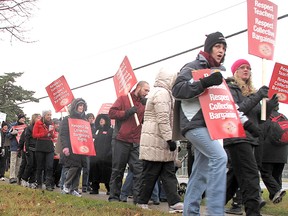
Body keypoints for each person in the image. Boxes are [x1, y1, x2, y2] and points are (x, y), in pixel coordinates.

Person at [172, 31, 228, 215]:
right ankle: (215, 212)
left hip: (211, 126)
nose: (221, 51)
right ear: (209, 48)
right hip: (194, 124)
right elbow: (177, 89)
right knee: (220, 157)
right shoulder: (192, 67)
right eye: (218, 46)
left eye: (224, 48)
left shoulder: (219, 73)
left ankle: (190, 212)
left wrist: (244, 121)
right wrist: (204, 82)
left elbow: (226, 104)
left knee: (200, 173)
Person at [224, 58, 279, 216]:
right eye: (242, 67)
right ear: (235, 71)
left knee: (233, 180)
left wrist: (269, 106)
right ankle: (253, 212)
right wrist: (257, 97)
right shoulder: (230, 88)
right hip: (237, 137)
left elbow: (260, 118)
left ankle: (216, 204)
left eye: (248, 67)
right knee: (251, 176)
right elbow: (237, 111)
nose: (246, 70)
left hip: (251, 139)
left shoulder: (253, 92)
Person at [136, 68, 183, 213]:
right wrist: (170, 139)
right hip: (156, 139)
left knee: (167, 173)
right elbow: (163, 119)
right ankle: (141, 201)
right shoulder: (162, 94)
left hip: (158, 140)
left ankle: (174, 202)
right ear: (169, 80)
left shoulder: (164, 93)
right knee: (150, 173)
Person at [108, 80, 150, 204]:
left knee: (139, 170)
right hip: (121, 139)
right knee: (118, 170)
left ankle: (138, 200)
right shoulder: (123, 99)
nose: (147, 93)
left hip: (136, 141)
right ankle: (114, 197)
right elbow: (111, 113)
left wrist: (148, 106)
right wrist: (126, 113)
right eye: (145, 90)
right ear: (138, 88)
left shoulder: (144, 104)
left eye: (148, 91)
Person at [60, 98, 89, 197]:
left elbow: (86, 135)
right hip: (71, 147)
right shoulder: (67, 119)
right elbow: (63, 134)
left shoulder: (84, 120)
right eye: (79, 105)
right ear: (75, 106)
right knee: (74, 167)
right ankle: (66, 185)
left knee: (78, 167)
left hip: (81, 148)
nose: (81, 107)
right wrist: (65, 147)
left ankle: (74, 189)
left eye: (83, 106)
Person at [259, 106, 287, 204]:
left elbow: (261, 133)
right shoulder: (283, 117)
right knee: (276, 175)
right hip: (282, 153)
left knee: (265, 173)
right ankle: (274, 198)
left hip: (268, 152)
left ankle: (276, 191)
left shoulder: (265, 117)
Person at [89, 113, 113, 195]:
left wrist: (110, 153)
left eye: (103, 119)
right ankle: (95, 188)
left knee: (107, 174)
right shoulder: (96, 130)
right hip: (96, 156)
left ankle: (109, 189)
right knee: (95, 172)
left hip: (106, 157)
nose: (101, 120)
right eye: (100, 119)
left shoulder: (111, 130)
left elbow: (112, 143)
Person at [33, 110, 56, 191]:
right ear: (44, 116)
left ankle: (48, 184)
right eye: (48, 115)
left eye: (50, 115)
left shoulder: (52, 123)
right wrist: (45, 133)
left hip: (49, 145)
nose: (49, 116)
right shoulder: (38, 123)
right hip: (40, 145)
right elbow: (34, 135)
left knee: (49, 166)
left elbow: (53, 136)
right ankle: (38, 183)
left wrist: (51, 133)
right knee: (40, 166)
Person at [20, 113, 41, 188]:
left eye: (40, 118)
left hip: (37, 149)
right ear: (34, 119)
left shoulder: (40, 128)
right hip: (30, 148)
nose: (39, 119)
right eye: (38, 118)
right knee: (30, 164)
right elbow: (26, 139)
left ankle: (32, 181)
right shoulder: (29, 128)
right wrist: (27, 149)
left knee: (36, 166)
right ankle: (24, 179)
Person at [7, 113, 27, 184]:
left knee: (19, 162)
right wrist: (12, 133)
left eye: (24, 118)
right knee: (13, 162)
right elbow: (8, 135)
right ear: (19, 118)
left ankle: (17, 176)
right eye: (22, 118)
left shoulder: (25, 127)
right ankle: (12, 177)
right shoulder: (13, 125)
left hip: (21, 147)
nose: (23, 119)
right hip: (14, 146)